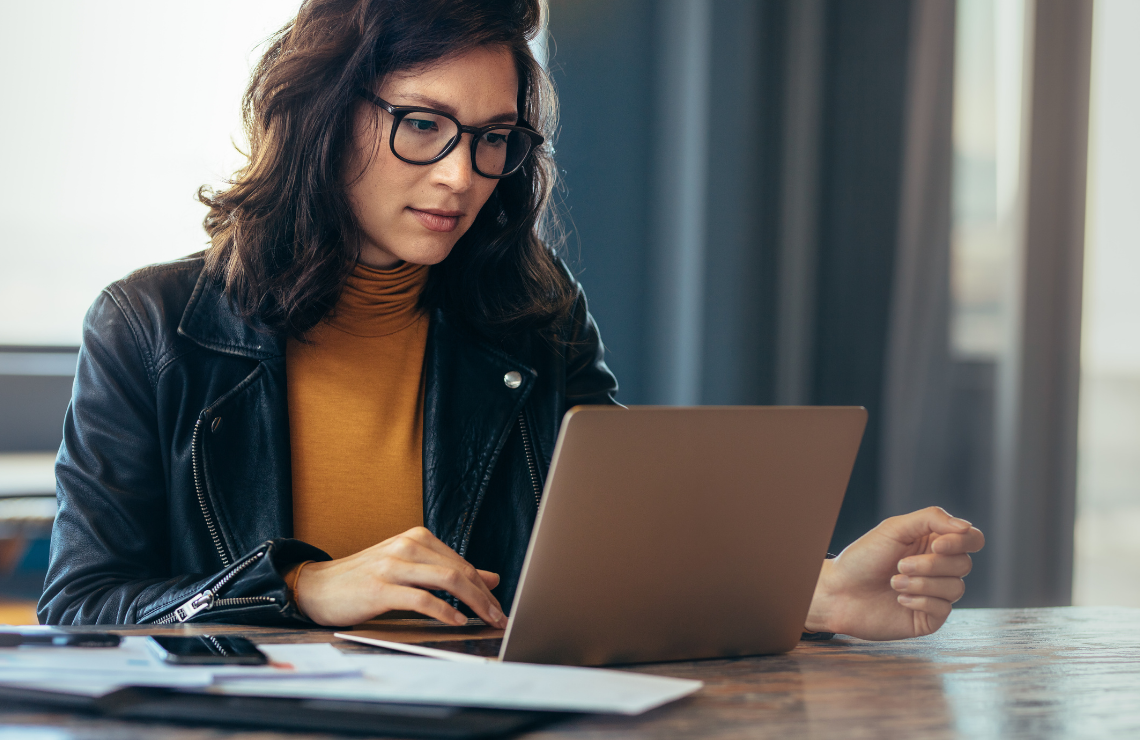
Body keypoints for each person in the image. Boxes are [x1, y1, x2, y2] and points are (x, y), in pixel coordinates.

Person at [39, 0, 983, 640]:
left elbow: (617, 559)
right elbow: (81, 608)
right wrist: (297, 590)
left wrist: (812, 592)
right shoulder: (152, 327)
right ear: (322, 115)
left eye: (494, 138)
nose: (461, 175)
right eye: (423, 124)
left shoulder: (533, 310)